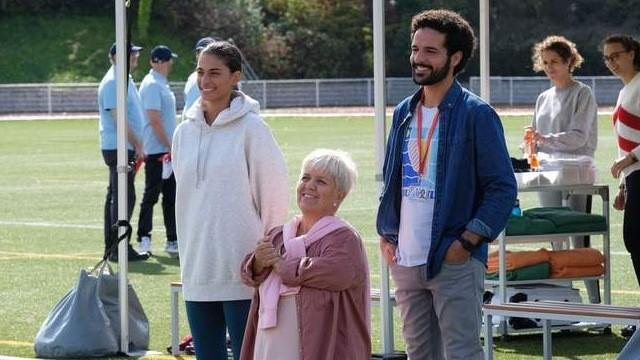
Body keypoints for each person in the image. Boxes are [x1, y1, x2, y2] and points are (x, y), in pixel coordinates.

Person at [376, 9, 517, 360]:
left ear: (455, 58)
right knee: (418, 354)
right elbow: (394, 176)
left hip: (453, 257)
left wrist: (467, 241)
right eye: (415, 49)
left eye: (430, 51)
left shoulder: (476, 114)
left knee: (461, 354)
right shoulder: (404, 112)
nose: (418, 59)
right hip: (406, 256)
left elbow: (501, 188)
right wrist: (387, 233)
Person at [172, 40, 289, 360]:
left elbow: (274, 194)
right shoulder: (183, 133)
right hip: (198, 267)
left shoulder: (253, 129)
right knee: (207, 355)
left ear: (235, 77)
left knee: (246, 354)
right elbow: (186, 198)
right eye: (200, 72)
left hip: (243, 269)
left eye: (215, 73)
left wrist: (264, 256)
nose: (205, 81)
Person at [239, 149, 371, 360]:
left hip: (317, 345)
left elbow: (339, 273)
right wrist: (257, 263)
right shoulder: (279, 235)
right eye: (305, 178)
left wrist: (285, 267)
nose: (309, 186)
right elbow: (249, 273)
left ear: (339, 195)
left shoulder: (344, 238)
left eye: (321, 181)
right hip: (270, 343)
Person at [527, 35, 600, 303]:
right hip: (547, 171)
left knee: (578, 237)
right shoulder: (543, 97)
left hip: (576, 171)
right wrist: (532, 144)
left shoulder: (582, 93)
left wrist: (546, 139)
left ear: (569, 62)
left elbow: (579, 137)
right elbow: (535, 134)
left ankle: (595, 304)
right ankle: (561, 303)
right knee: (553, 234)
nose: (549, 67)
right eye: (545, 62)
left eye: (554, 61)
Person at [601, 33, 640, 338]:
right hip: (634, 178)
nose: (611, 62)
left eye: (616, 55)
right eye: (607, 57)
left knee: (636, 240)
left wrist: (628, 161)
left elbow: (631, 148)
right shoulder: (626, 90)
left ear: (632, 53)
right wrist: (624, 186)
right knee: (634, 241)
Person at [97, 42, 149, 262]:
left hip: (121, 145)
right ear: (118, 56)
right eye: (132, 54)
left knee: (119, 195)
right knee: (123, 196)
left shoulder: (123, 78)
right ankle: (119, 247)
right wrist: (137, 144)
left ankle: (115, 247)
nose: (136, 57)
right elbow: (119, 119)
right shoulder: (113, 81)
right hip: (119, 146)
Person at [136, 45, 179, 256]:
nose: (171, 63)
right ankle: (144, 237)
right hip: (157, 149)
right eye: (169, 60)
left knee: (171, 196)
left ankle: (173, 238)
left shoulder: (161, 83)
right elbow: (154, 119)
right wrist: (170, 145)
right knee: (151, 194)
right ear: (160, 61)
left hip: (167, 150)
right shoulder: (152, 84)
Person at [182, 36, 216, 120]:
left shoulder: (219, 78)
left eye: (208, 52)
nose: (203, 55)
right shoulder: (192, 77)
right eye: (199, 52)